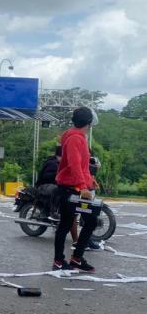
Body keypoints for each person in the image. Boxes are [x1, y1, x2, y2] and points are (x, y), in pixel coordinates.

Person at [53, 107, 98, 272]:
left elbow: (82, 165)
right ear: (89, 122)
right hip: (70, 188)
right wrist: (82, 186)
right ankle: (59, 260)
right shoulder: (74, 138)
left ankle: (77, 258)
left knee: (91, 220)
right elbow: (73, 164)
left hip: (77, 187)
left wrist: (90, 180)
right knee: (66, 223)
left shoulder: (79, 137)